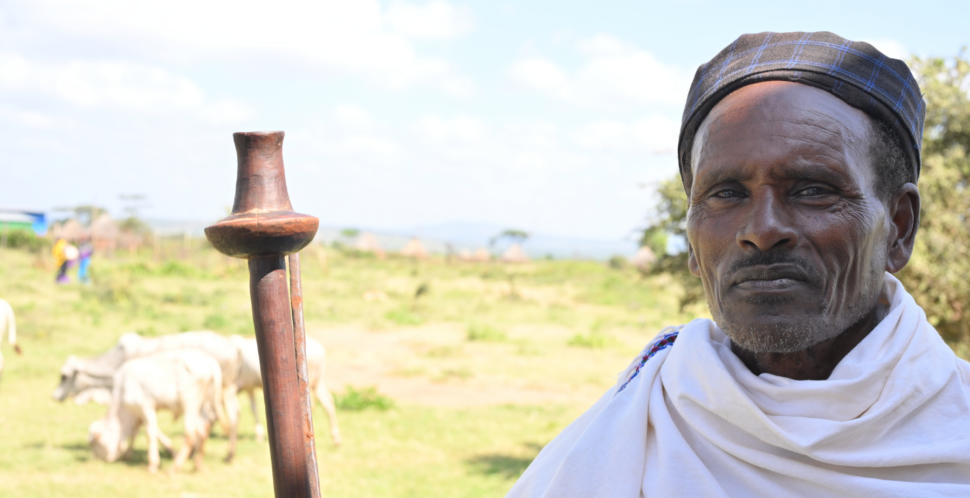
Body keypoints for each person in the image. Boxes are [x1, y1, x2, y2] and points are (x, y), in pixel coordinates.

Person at [508, 32, 970, 497]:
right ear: (691, 241)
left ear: (899, 227)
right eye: (726, 193)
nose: (762, 229)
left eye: (812, 189)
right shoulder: (633, 431)